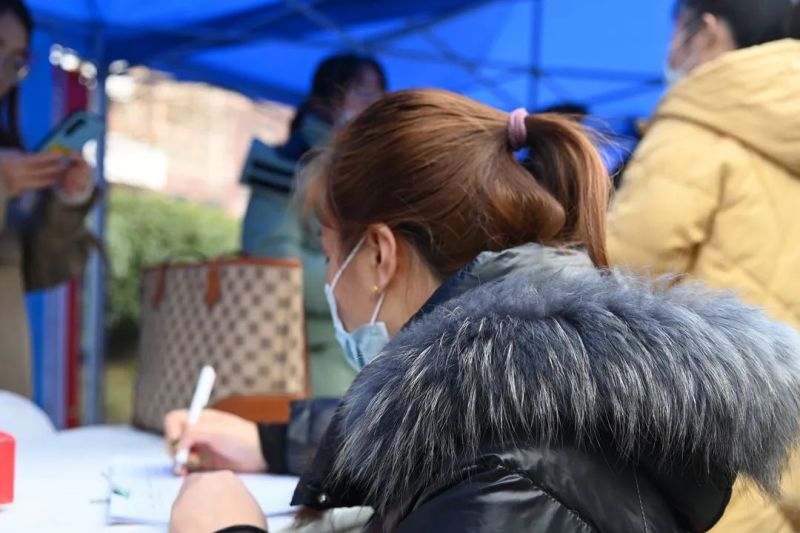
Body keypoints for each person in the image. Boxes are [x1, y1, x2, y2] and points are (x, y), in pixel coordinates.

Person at [167, 89, 800, 533]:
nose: (330, 281)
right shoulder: (539, 390)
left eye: (331, 255)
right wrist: (271, 441)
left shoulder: (502, 484)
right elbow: (436, 415)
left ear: (379, 255)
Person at [606, 1, 800, 530]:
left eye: (676, 31)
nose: (671, 50)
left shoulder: (698, 121)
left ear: (707, 31)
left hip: (715, 457)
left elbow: (620, 279)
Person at [241, 53, 387, 398]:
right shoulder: (283, 170)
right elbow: (274, 271)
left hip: (370, 365)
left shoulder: (374, 172)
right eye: (363, 93)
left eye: (380, 95)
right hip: (304, 368)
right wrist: (373, 278)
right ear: (324, 101)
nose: (374, 106)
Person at [0, 0, 96, 398]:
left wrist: (65, 202)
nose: (4, 72)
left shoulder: (9, 148)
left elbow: (41, 272)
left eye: (17, 60)